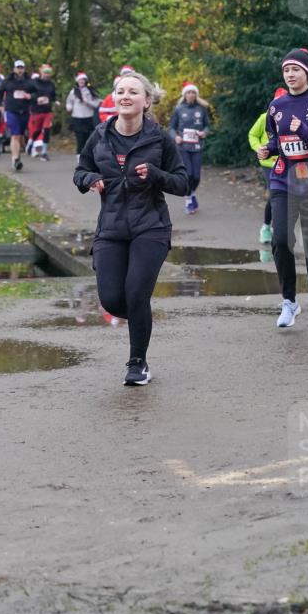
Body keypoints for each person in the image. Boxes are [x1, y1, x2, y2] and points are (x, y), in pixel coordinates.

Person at [73, 70, 187, 385]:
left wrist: (155, 173)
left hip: (150, 227)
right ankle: (141, 316)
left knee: (136, 293)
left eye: (133, 92)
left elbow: (182, 182)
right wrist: (89, 179)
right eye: (121, 91)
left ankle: (137, 363)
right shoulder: (100, 135)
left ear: (146, 101)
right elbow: (80, 170)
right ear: (114, 99)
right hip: (110, 228)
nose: (126, 96)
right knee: (112, 300)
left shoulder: (159, 138)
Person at [257, 48, 308, 329]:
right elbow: (275, 140)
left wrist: (304, 130)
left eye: (295, 70)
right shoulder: (276, 106)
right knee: (280, 240)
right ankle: (289, 302)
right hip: (283, 179)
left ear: (307, 72)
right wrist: (267, 148)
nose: (290, 75)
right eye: (286, 71)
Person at [247, 87, 286, 257]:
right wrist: (259, 148)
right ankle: (266, 227)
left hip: (287, 162)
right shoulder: (264, 118)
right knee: (273, 194)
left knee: (286, 195)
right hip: (269, 163)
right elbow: (252, 135)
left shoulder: (293, 117)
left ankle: (281, 229)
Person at [169, 81, 211, 213]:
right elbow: (172, 128)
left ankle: (191, 193)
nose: (191, 94)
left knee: (196, 176)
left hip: (197, 146)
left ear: (196, 95)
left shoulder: (201, 109)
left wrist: (204, 132)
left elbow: (207, 126)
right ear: (185, 95)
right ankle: (188, 198)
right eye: (189, 92)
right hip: (183, 146)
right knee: (188, 174)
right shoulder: (179, 109)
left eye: (193, 92)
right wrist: (176, 137)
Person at [0, 60, 37, 171]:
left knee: (21, 135)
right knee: (15, 135)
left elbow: (37, 93)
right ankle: (15, 159)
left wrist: (30, 96)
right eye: (18, 68)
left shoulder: (29, 81)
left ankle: (17, 155)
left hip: (24, 111)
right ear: (14, 69)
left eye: (21, 68)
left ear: (24, 69)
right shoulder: (8, 81)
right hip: (11, 111)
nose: (20, 70)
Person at [27, 64, 59, 160]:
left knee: (47, 130)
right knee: (37, 130)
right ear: (41, 73)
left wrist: (56, 101)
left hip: (47, 111)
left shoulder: (51, 84)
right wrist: (36, 99)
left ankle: (44, 152)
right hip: (36, 111)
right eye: (45, 73)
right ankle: (31, 143)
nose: (47, 75)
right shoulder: (34, 83)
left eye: (48, 73)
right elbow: (28, 95)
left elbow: (53, 95)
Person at [66, 72, 101, 159]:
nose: (81, 81)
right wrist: (69, 107)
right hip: (77, 118)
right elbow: (69, 102)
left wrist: (88, 102)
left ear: (86, 81)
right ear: (77, 81)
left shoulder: (90, 90)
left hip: (88, 118)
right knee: (80, 140)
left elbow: (97, 104)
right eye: (80, 80)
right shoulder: (73, 92)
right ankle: (79, 158)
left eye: (83, 79)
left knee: (89, 139)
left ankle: (88, 157)